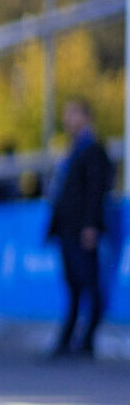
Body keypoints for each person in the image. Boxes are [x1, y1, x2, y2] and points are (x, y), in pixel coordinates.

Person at [46, 98, 112, 359]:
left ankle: (87, 339)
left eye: (73, 113)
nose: (68, 119)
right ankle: (69, 340)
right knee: (73, 284)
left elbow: (96, 191)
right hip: (67, 229)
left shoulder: (93, 150)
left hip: (81, 230)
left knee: (89, 282)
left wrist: (90, 225)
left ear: (86, 117)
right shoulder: (71, 150)